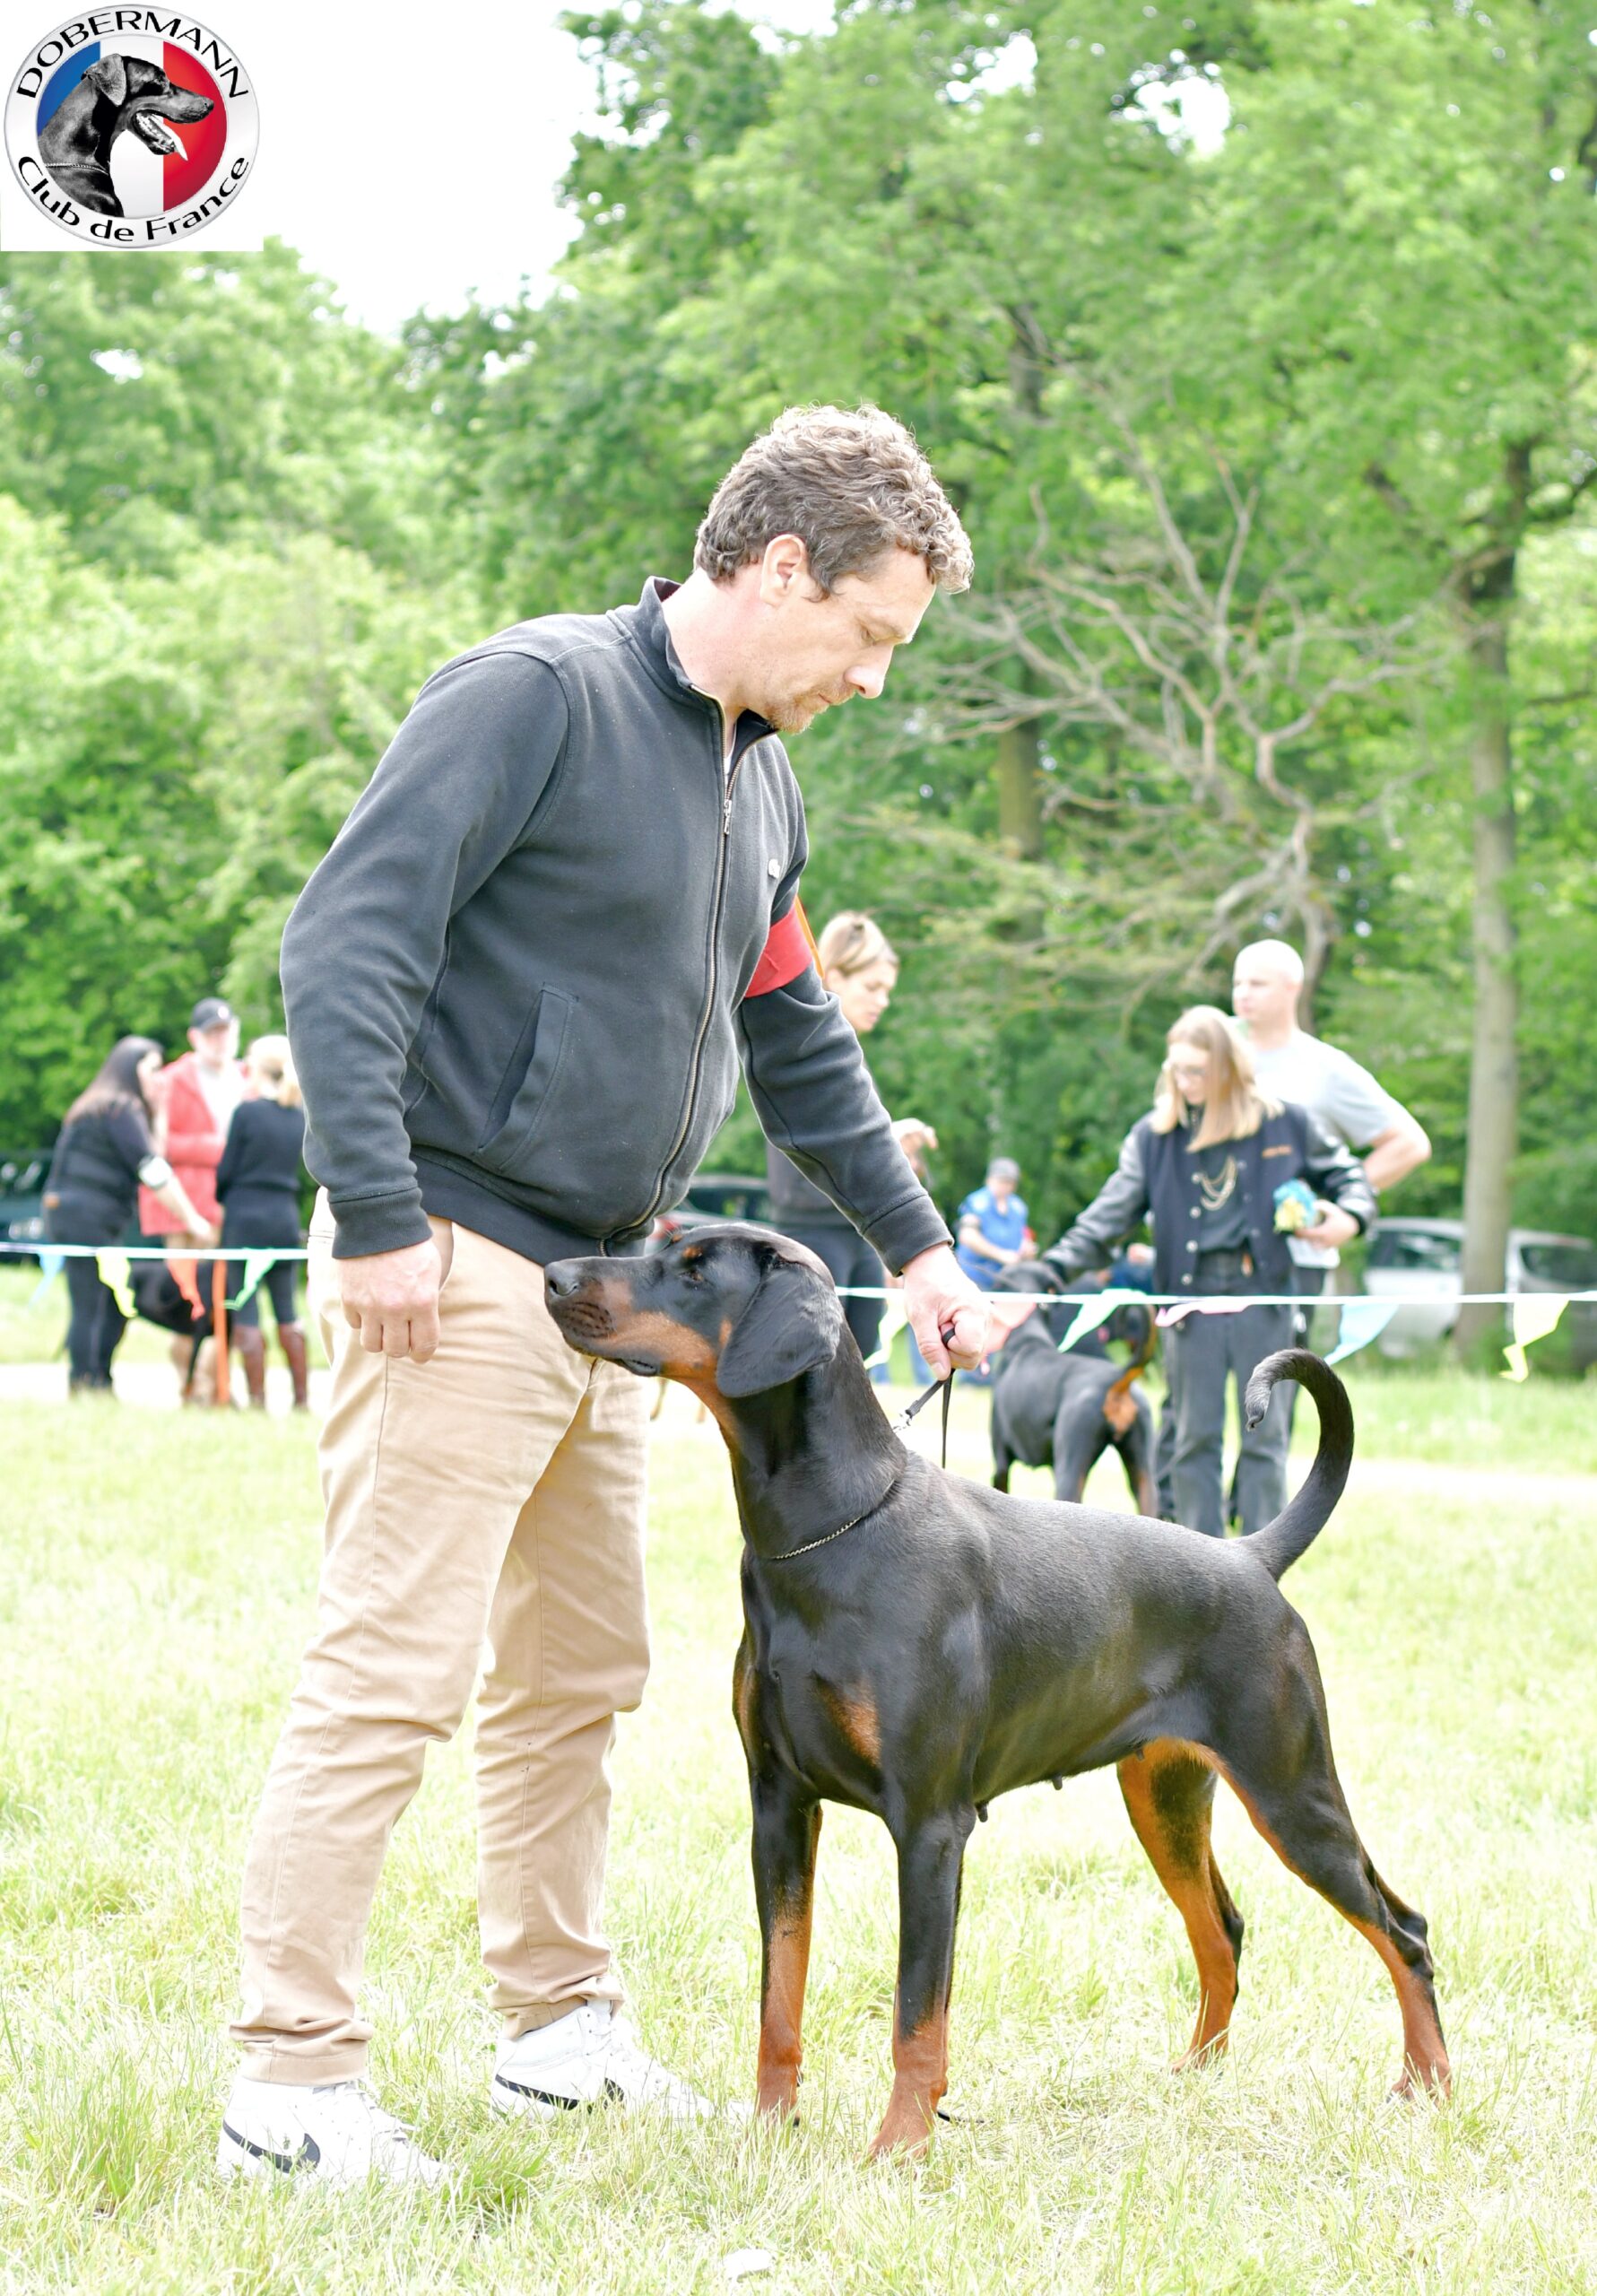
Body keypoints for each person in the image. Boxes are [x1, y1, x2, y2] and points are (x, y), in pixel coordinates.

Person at [219, 403, 991, 2188]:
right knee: (390, 1673)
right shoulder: (532, 698)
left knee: (581, 1676)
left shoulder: (760, 779)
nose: (872, 676)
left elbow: (796, 1035)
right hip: (457, 1260)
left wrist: (920, 1245)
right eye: (867, 632)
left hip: (615, 1293)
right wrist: (377, 1214)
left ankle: (557, 2036)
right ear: (780, 565)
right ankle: (289, 2085)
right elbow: (347, 938)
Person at [1042, 1007, 1375, 1540]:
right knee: (1194, 1438)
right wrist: (1050, 1270)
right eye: (1176, 1070)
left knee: (1265, 1441)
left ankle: (1264, 1570)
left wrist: (1350, 1216)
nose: (1185, 1081)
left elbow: (1350, 1178)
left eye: (1197, 1070)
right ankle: (1203, 1568)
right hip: (1190, 1304)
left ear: (1228, 1068)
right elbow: (1106, 1217)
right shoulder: (1155, 1137)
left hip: (1263, 1298)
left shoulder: (1286, 1122)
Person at [763, 910, 937, 1374]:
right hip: (812, 1235)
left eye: (888, 991)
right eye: (872, 987)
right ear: (834, 975)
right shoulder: (803, 1050)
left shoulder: (852, 1058)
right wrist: (889, 1138)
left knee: (856, 1371)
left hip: (857, 1235)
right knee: (808, 1373)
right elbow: (801, 1155)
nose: (882, 1001)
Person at [1230, 938, 1430, 1300]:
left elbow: (1409, 1144)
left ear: (1293, 987)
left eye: (1257, 984)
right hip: (1210, 1256)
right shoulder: (1207, 1055)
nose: (1243, 993)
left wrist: (1342, 1204)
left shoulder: (1324, 1067)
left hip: (1294, 1260)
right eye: (1238, 983)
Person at [41, 1036, 215, 1395]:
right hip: (86, 1216)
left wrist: (160, 1110)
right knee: (92, 1300)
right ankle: (85, 1382)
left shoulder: (106, 1105)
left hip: (84, 1214)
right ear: (130, 1069)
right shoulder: (118, 1107)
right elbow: (152, 1168)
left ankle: (96, 1379)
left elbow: (155, 1153)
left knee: (105, 1300)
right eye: (152, 1069)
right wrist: (192, 1220)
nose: (158, 1077)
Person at [138, 996, 246, 1404]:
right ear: (195, 1037)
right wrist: (218, 1148)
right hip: (183, 1207)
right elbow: (158, 1146)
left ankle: (216, 1385)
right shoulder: (171, 1080)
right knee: (187, 1299)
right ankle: (190, 1385)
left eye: (225, 1031)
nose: (220, 1040)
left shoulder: (247, 1077)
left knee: (225, 1299)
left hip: (229, 1204)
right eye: (211, 1033)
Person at [216, 1036, 309, 1412]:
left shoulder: (247, 1113)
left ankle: (258, 1400)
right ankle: (301, 1400)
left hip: (245, 1218)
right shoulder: (298, 1116)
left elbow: (225, 1172)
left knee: (246, 1308)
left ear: (258, 1068)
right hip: (284, 1218)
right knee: (287, 1310)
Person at [955, 1157, 1033, 1288]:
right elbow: (967, 1237)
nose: (1005, 1186)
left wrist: (1026, 1249)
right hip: (974, 1277)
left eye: (1009, 1182)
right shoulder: (976, 1202)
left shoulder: (1019, 1207)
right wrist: (1000, 1255)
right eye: (1001, 1181)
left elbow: (1024, 1235)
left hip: (1007, 1279)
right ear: (989, 1180)